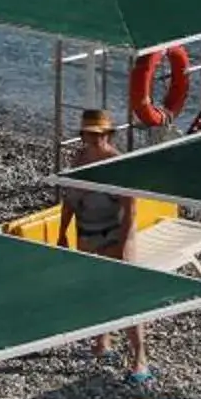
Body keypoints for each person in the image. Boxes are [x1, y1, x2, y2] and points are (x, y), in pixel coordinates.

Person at [60, 108, 153, 383]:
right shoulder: (79, 159)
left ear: (109, 135)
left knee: (125, 297)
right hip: (86, 231)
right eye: (88, 134)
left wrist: (123, 245)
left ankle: (140, 360)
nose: (92, 139)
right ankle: (103, 342)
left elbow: (130, 210)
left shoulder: (118, 164)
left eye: (98, 135)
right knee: (95, 290)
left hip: (115, 232)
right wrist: (63, 232)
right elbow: (70, 199)